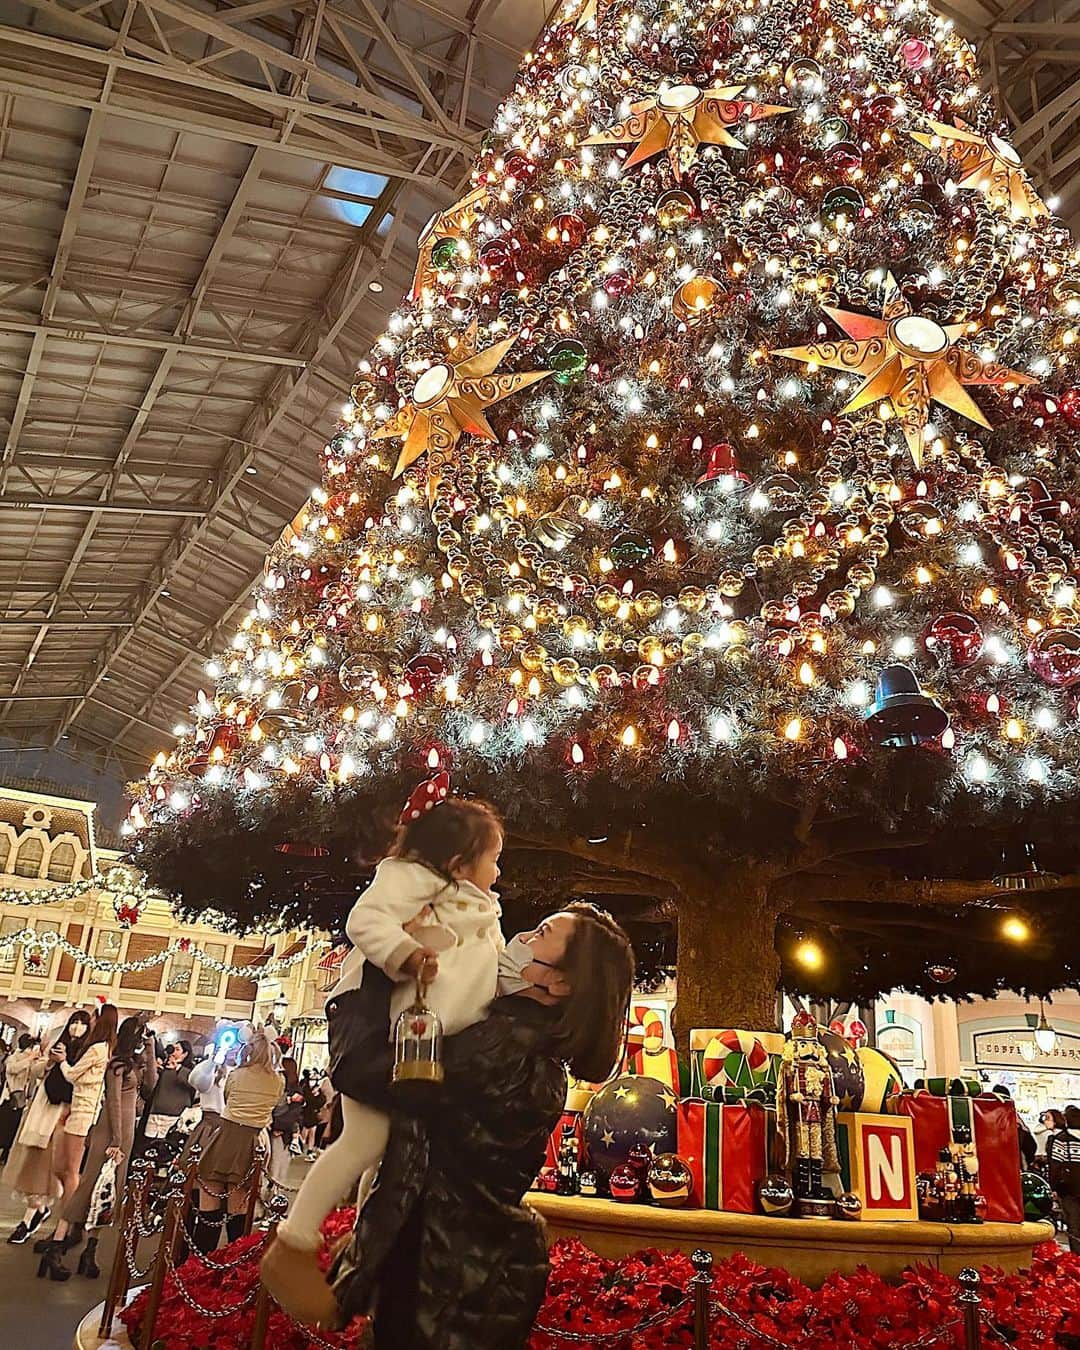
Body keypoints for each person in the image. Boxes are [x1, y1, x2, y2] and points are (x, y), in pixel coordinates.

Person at [264, 903, 635, 1337]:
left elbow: (367, 1071)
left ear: (561, 981)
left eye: (541, 934)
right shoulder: (524, 1047)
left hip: (440, 1283)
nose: (523, 939)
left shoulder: (503, 1048)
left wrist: (374, 970)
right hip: (464, 1273)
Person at [266, 786, 561, 1280]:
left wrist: (538, 984)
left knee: (394, 1149)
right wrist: (404, 954)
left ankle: (364, 1243)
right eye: (495, 859)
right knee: (364, 1139)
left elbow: (487, 972)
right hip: (383, 1034)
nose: (500, 872)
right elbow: (367, 918)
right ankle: (293, 1245)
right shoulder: (413, 879)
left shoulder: (481, 909)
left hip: (430, 1048)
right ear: (459, 862)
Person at [34, 1013, 157, 1279]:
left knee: (110, 1194)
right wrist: (115, 1141)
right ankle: (56, 1245)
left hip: (126, 1133)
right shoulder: (116, 1064)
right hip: (109, 1133)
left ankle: (91, 1250)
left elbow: (151, 1087)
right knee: (88, 1186)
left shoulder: (134, 1064)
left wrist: (150, 1049)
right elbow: (113, 1101)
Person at [4, 1009, 94, 1244]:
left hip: (62, 1114)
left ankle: (31, 1218)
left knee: (48, 1170)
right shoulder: (59, 1045)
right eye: (74, 1022)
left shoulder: (86, 1053)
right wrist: (47, 1062)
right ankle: (35, 1213)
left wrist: (64, 1063)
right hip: (41, 1109)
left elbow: (78, 1083)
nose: (76, 1027)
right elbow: (34, 1073)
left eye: (81, 1023)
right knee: (31, 1164)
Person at [191, 1029, 283, 1254]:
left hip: (224, 1139)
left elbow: (227, 1099)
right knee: (238, 1210)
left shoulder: (236, 1075)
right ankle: (234, 1265)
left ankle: (200, 1265)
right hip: (252, 1143)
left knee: (209, 1205)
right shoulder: (278, 1081)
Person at [0, 1035, 43, 1164]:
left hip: (22, 1100)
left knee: (13, 1127)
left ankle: (6, 1152)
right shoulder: (14, 1057)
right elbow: (12, 1069)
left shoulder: (32, 1061)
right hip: (9, 1097)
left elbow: (37, 1075)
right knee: (3, 1124)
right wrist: (29, 1059)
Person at [141, 1038, 195, 1141]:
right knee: (148, 1145)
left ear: (185, 1054)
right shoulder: (163, 1068)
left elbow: (190, 1082)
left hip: (174, 1116)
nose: (173, 1051)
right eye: (173, 1048)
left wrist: (177, 1068)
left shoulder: (189, 1070)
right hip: (155, 1114)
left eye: (177, 1049)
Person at [269, 1057, 305, 1191]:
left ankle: (271, 1201)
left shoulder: (291, 1090)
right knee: (278, 1171)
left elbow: (293, 1114)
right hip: (282, 1133)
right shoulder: (293, 1089)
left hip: (280, 1134)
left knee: (274, 1170)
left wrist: (275, 1127)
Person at [1049, 1105, 1080, 1252]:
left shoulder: (1061, 1139)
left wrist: (1053, 1186)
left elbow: (1056, 1164)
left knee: (1073, 1223)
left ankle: (1076, 1259)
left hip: (1069, 1188)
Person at [990, 1085, 1037, 1167]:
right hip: (1013, 1167)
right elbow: (1030, 1147)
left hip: (991, 1166)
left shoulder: (986, 1117)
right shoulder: (1014, 1119)